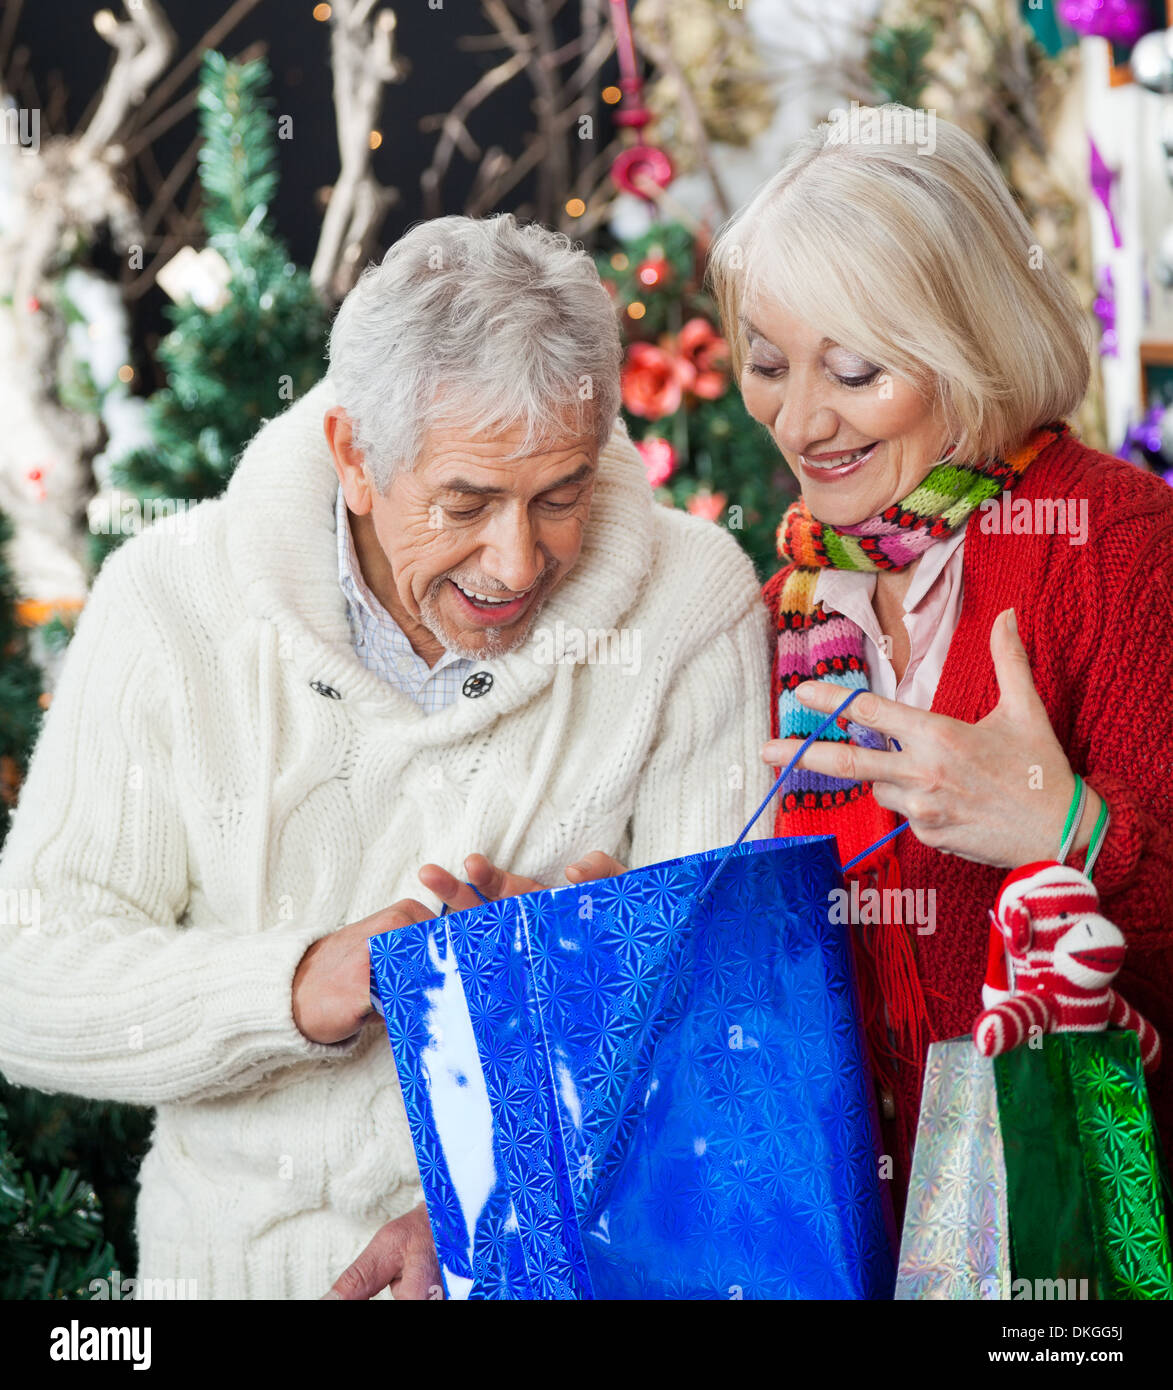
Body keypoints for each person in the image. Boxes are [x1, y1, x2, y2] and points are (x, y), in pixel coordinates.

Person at [0, 213, 773, 1299]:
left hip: (554, 1275)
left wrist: (577, 975)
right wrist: (303, 983)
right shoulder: (168, 601)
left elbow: (731, 1023)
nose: (518, 560)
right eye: (466, 504)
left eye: (560, 496)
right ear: (354, 456)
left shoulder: (691, 604)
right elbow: (24, 981)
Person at [706, 105, 1173, 1217]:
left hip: (1076, 1227)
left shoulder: (1114, 543)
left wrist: (1070, 831)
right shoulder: (791, 600)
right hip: (858, 1236)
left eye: (858, 371)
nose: (801, 420)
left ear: (970, 347)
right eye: (768, 364)